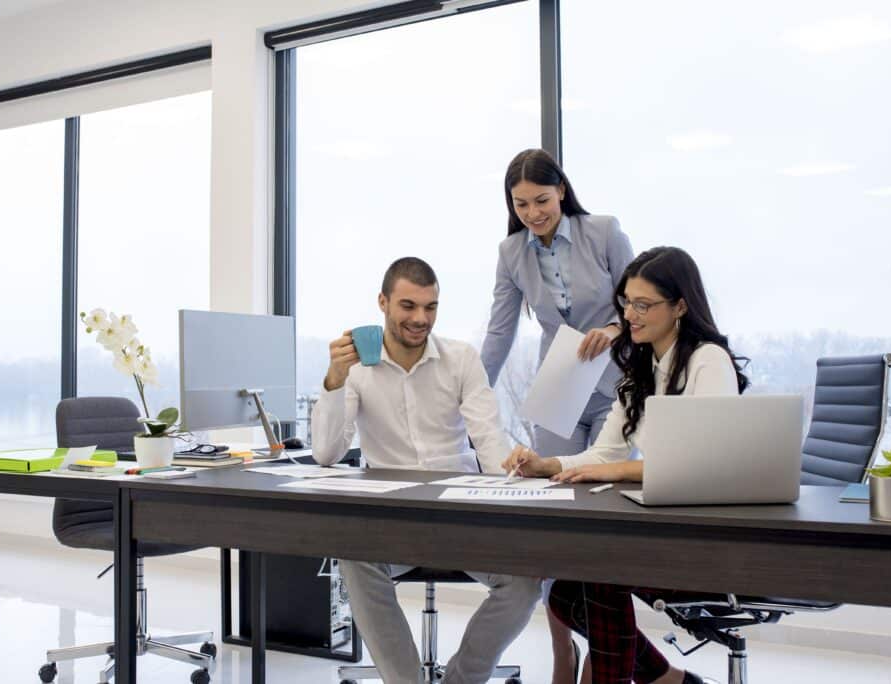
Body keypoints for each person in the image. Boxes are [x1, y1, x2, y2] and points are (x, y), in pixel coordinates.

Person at [503, 246, 748, 684]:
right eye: (626, 303)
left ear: (680, 306)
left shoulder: (707, 360)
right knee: (563, 595)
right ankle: (670, 681)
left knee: (601, 571)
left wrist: (616, 472)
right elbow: (604, 454)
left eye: (643, 304)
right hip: (665, 528)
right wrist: (546, 465)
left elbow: (702, 464)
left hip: (709, 537)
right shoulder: (640, 369)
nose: (629, 315)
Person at [312, 256, 541, 684]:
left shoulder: (460, 359)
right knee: (352, 557)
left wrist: (510, 488)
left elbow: (488, 438)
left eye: (430, 307)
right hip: (392, 518)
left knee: (527, 580)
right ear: (383, 302)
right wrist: (334, 380)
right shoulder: (357, 368)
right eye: (409, 306)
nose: (421, 319)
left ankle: (462, 678)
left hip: (460, 513)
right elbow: (326, 453)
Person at [481, 147, 634, 680]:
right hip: (560, 389)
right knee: (554, 519)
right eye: (521, 204)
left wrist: (616, 328)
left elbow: (640, 304)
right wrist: (471, 394)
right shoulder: (511, 252)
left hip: (618, 386)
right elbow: (501, 332)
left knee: (606, 521)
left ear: (562, 191)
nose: (532, 213)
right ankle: (561, 647)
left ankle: (605, 648)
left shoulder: (605, 232)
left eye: (541, 200)